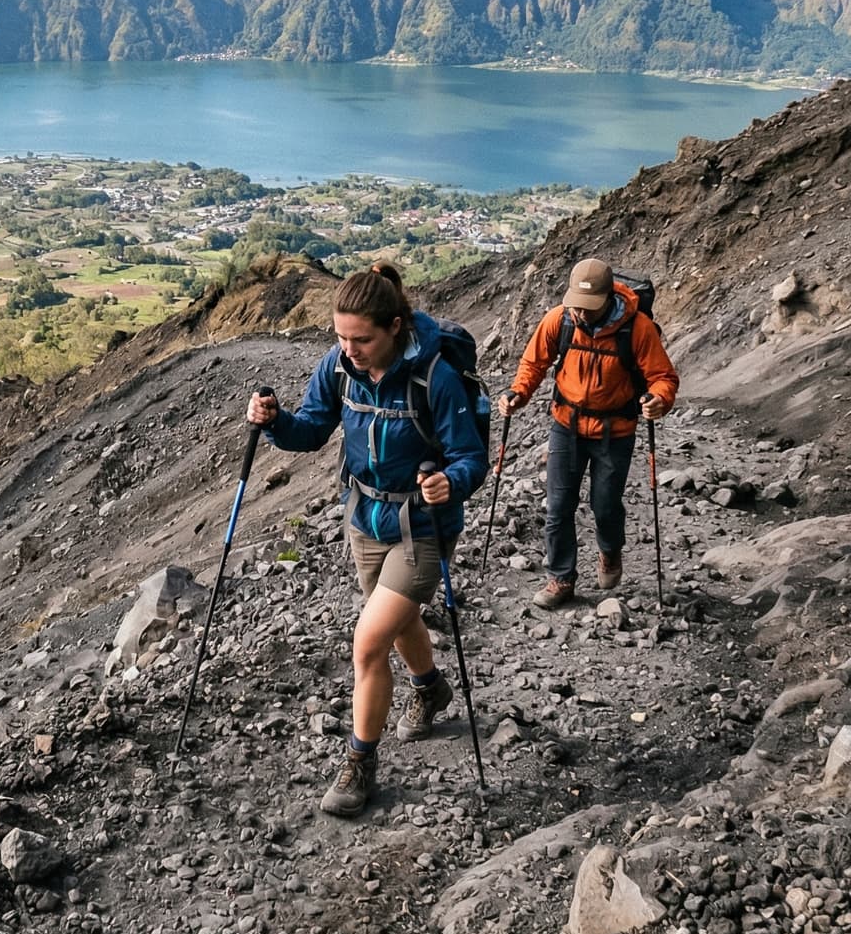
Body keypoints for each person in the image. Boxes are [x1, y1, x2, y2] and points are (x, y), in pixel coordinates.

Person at [249, 263, 487, 818]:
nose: (348, 350)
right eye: (340, 337)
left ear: (396, 327)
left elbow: (472, 456)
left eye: (361, 339)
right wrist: (276, 420)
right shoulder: (338, 367)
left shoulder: (435, 376)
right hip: (364, 520)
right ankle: (429, 687)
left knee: (368, 642)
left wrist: (449, 481)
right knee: (400, 621)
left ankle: (360, 763)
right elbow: (311, 429)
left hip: (423, 528)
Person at [501, 257, 677, 610]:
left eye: (589, 307)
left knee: (605, 504)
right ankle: (561, 578)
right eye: (577, 306)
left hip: (616, 431)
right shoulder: (560, 320)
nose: (581, 314)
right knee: (559, 505)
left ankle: (610, 552)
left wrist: (658, 399)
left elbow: (663, 377)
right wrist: (518, 393)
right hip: (566, 425)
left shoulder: (637, 328)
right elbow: (534, 363)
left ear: (608, 298)